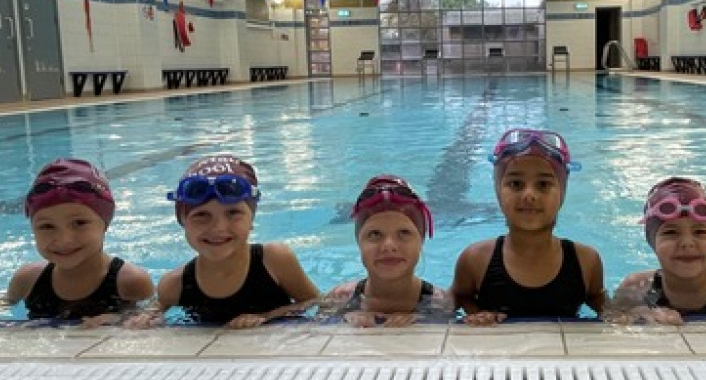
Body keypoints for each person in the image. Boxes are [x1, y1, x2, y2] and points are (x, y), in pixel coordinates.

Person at [450, 128, 606, 324]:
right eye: (516, 184)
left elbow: (597, 298)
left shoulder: (586, 261)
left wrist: (617, 313)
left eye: (543, 185)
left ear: (562, 193)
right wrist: (475, 313)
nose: (529, 195)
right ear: (498, 191)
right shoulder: (475, 259)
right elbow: (458, 297)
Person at [153, 154, 320, 328]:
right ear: (183, 223)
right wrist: (149, 317)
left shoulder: (274, 260)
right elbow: (155, 308)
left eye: (233, 213)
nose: (218, 228)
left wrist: (268, 316)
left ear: (251, 220)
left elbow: (319, 303)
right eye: (201, 215)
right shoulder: (174, 284)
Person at [7, 158, 153, 324]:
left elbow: (152, 320)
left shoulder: (131, 282)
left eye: (80, 223)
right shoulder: (27, 280)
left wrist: (120, 319)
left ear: (105, 224)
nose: (64, 240)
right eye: (47, 226)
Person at [610, 177, 706, 324]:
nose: (687, 243)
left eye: (700, 232)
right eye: (670, 233)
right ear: (653, 243)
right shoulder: (637, 287)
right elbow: (610, 318)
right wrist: (639, 313)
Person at [321, 175, 453, 327]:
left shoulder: (439, 302)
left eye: (404, 233)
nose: (389, 246)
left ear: (421, 241)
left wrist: (421, 321)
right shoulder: (340, 298)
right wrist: (342, 321)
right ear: (359, 243)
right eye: (375, 234)